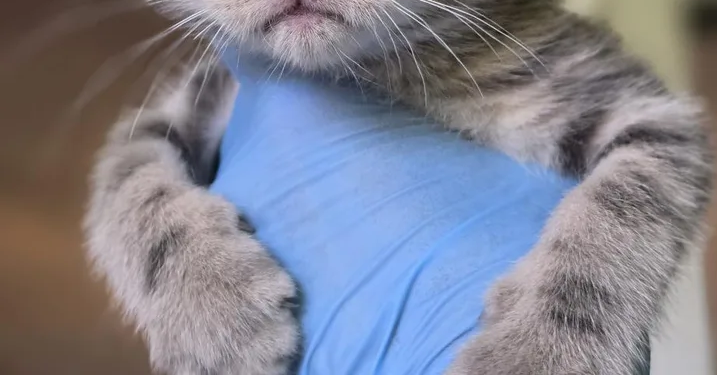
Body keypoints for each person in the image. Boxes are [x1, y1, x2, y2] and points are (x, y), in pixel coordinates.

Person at [212, 60, 651, 375]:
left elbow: (659, 138)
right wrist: (173, 254)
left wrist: (571, 321)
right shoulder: (227, 72)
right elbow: (146, 148)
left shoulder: (509, 43)